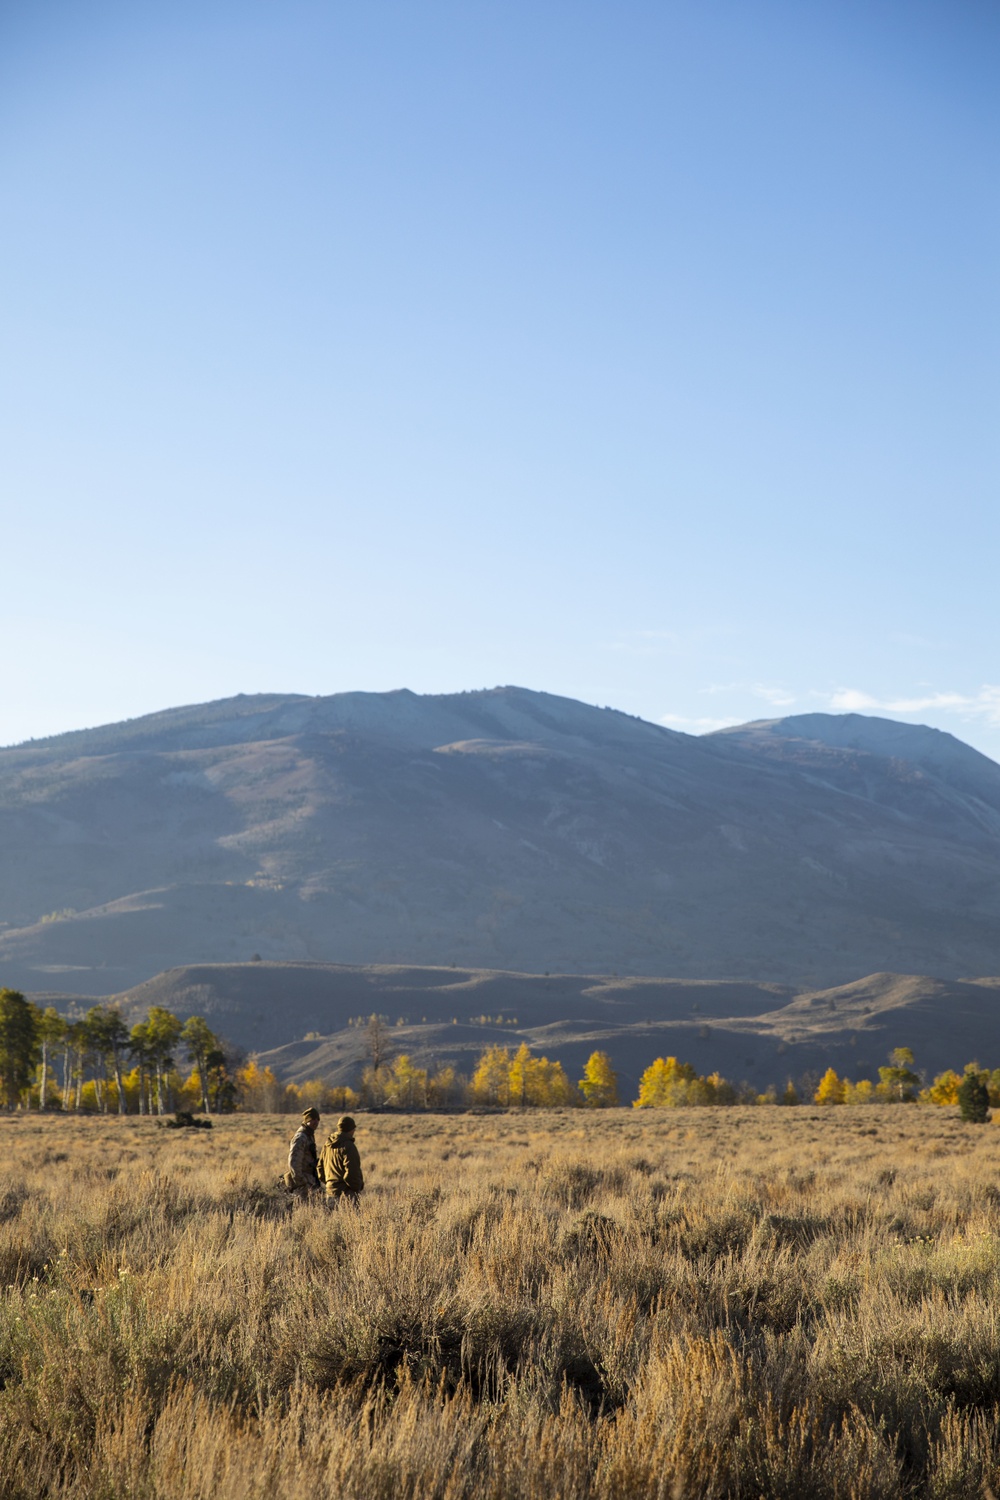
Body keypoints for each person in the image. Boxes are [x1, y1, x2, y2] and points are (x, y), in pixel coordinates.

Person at [319, 1114, 364, 1205]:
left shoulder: (327, 1145)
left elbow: (320, 1168)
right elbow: (352, 1172)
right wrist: (356, 1187)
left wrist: (330, 1184)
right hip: (346, 1194)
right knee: (349, 1218)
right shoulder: (348, 1146)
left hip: (330, 1193)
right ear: (351, 1129)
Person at [286, 1106, 321, 1197]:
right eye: (313, 1119)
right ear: (307, 1120)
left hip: (310, 1181)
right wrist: (301, 1182)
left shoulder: (309, 1135)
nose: (316, 1122)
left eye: (317, 1119)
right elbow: (294, 1163)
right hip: (303, 1185)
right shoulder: (301, 1137)